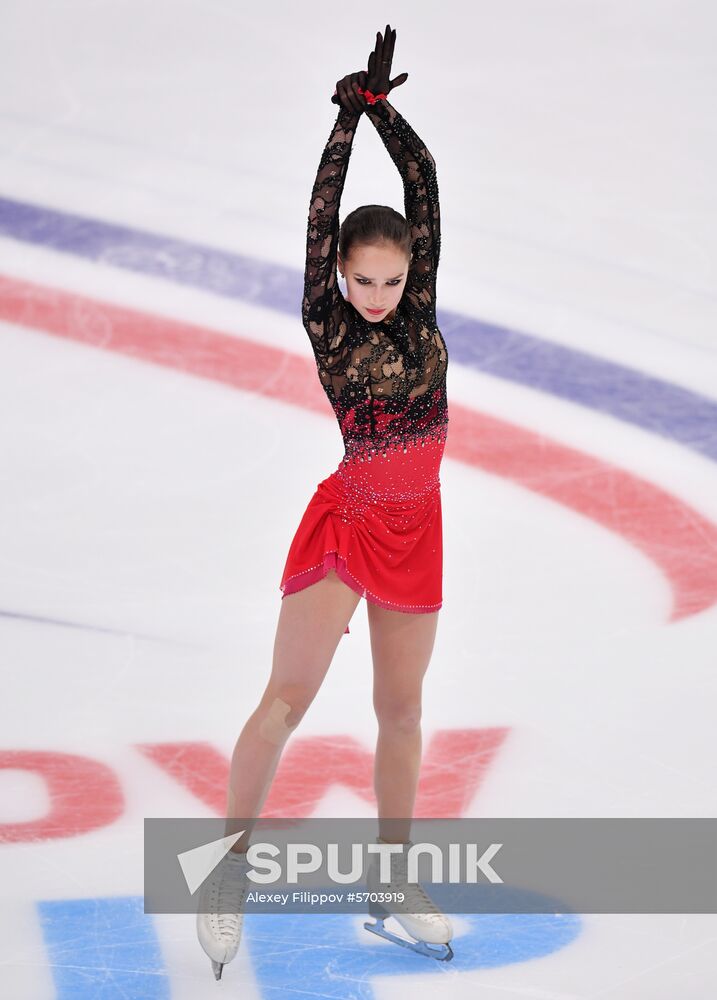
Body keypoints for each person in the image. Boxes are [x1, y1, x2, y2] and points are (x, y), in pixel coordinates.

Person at [197, 24, 453, 978]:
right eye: (364, 278)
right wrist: (343, 124)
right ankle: (224, 873)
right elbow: (320, 211)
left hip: (417, 524)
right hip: (349, 521)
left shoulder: (418, 302)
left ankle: (394, 877)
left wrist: (383, 109)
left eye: (391, 277)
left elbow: (421, 181)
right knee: (285, 702)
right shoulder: (327, 321)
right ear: (341, 274)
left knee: (401, 710)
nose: (380, 293)